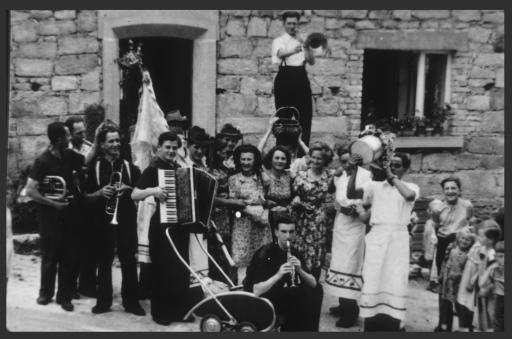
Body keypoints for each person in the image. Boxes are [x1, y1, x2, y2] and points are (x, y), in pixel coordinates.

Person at [347, 152, 419, 331]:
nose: (393, 168)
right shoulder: (375, 186)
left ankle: (394, 322)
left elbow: (409, 196)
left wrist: (390, 175)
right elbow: (351, 192)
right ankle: (372, 321)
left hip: (398, 240)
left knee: (394, 280)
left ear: (406, 169)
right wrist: (354, 169)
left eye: (397, 165)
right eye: (390, 165)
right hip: (377, 237)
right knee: (373, 278)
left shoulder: (411, 186)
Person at [131, 132, 195, 325]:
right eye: (167, 147)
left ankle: (179, 311)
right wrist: (154, 191)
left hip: (179, 226)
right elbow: (135, 194)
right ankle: (160, 313)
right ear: (159, 148)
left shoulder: (180, 168)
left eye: (174, 148)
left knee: (180, 269)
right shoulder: (153, 169)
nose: (171, 151)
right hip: (161, 226)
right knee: (161, 270)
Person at [84, 125, 144, 316]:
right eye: (111, 141)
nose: (116, 144)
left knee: (128, 260)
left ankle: (132, 302)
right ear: (102, 144)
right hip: (101, 220)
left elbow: (141, 192)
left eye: (118, 140)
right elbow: (84, 196)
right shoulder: (94, 167)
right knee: (104, 260)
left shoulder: (129, 166)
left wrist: (128, 189)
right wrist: (100, 193)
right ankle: (103, 301)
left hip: (125, 219)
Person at [243, 214, 323, 331]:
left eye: (291, 232)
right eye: (284, 232)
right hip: (263, 297)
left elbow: (314, 284)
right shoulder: (265, 254)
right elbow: (256, 290)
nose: (288, 236)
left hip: (283, 293)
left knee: (316, 290)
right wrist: (278, 275)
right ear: (276, 233)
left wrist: (300, 270)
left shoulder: (295, 252)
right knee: (295, 299)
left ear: (295, 233)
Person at [25, 122, 74, 311]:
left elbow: (88, 159)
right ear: (60, 139)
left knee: (67, 256)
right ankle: (45, 294)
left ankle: (65, 297)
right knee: (49, 256)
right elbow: (30, 190)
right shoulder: (42, 161)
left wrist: (95, 139)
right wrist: (54, 204)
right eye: (68, 136)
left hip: (67, 215)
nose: (70, 139)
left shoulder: (68, 155)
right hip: (49, 217)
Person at [325, 146, 372, 328]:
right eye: (343, 161)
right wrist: (336, 173)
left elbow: (364, 203)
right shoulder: (342, 173)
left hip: (355, 225)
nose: (347, 165)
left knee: (350, 265)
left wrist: (347, 208)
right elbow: (330, 189)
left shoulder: (365, 176)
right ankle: (343, 303)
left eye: (350, 162)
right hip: (340, 224)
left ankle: (351, 311)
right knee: (338, 263)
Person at [64, 116, 97, 298]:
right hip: (72, 204)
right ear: (70, 134)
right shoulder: (66, 150)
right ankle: (70, 286)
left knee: (90, 245)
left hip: (88, 200)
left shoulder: (87, 146)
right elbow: (82, 163)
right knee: (73, 246)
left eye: (84, 131)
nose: (83, 135)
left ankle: (87, 284)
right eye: (79, 133)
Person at [228, 144, 271, 284]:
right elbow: (233, 203)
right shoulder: (234, 179)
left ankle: (259, 290)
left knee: (261, 256)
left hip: (261, 223)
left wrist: (265, 213)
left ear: (255, 161)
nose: (246, 163)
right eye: (243, 159)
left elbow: (269, 199)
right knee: (242, 257)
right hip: (243, 222)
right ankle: (242, 289)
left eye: (249, 159)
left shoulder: (262, 178)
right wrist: (250, 211)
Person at [272, 10, 315, 146]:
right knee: (283, 119)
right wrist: (294, 50)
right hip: (285, 78)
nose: (292, 26)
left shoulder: (303, 40)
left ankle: (303, 156)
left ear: (298, 24)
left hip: (301, 78)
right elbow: (280, 54)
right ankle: (281, 152)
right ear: (284, 24)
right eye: (289, 23)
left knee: (304, 119)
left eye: (294, 24)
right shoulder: (279, 40)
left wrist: (306, 46)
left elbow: (311, 61)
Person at [290, 143, 334, 280]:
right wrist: (296, 198)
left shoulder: (329, 176)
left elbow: (333, 194)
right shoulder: (301, 175)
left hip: (319, 218)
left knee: (316, 250)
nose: (315, 161)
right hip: (301, 217)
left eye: (319, 158)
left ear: (325, 160)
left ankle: (313, 283)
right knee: (299, 249)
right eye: (313, 157)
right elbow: (292, 194)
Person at [436, 229, 476, 332]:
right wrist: (441, 275)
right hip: (448, 281)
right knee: (446, 303)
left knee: (460, 306)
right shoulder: (452, 249)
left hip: (459, 284)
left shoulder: (469, 255)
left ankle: (464, 327)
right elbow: (446, 263)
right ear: (458, 238)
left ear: (472, 242)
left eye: (468, 240)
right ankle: (444, 326)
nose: (464, 241)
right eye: (462, 238)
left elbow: (467, 270)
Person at [262, 145, 294, 239]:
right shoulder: (264, 175)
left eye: (283, 158)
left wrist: (296, 197)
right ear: (271, 159)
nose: (280, 161)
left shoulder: (290, 176)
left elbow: (295, 193)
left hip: (286, 219)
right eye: (277, 158)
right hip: (267, 219)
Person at [475, 221, 501, 332]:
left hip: (490, 290)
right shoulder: (483, 248)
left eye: (480, 236)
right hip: (481, 284)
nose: (478, 238)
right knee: (481, 312)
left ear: (490, 240)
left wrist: (487, 288)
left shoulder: (492, 254)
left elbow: (495, 274)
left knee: (490, 313)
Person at [478, 240, 504, 332]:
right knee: (496, 322)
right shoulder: (495, 269)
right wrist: (491, 268)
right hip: (498, 300)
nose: (502, 260)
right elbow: (481, 283)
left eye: (503, 256)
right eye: (499, 256)